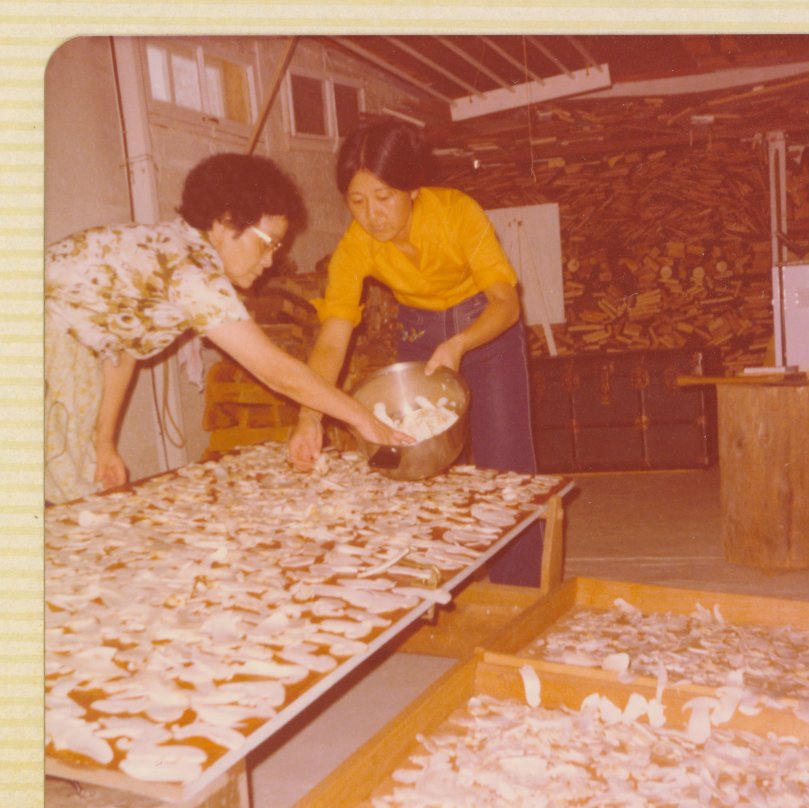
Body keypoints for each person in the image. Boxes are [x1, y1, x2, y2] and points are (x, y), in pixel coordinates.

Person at [44, 152, 410, 505]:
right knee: (64, 504)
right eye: (266, 244)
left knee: (71, 493)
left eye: (277, 248)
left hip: (58, 340)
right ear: (223, 223)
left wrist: (103, 444)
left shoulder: (173, 247)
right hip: (42, 338)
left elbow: (121, 350)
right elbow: (277, 371)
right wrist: (363, 419)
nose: (269, 261)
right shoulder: (192, 272)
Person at [288, 120, 543, 587]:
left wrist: (461, 341)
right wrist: (310, 415)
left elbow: (506, 304)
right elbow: (332, 339)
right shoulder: (356, 246)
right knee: (412, 462)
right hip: (420, 331)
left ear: (413, 188)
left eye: (384, 197)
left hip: (483, 330)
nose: (372, 215)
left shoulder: (456, 213)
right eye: (357, 201)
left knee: (504, 467)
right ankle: (431, 583)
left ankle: (519, 591)